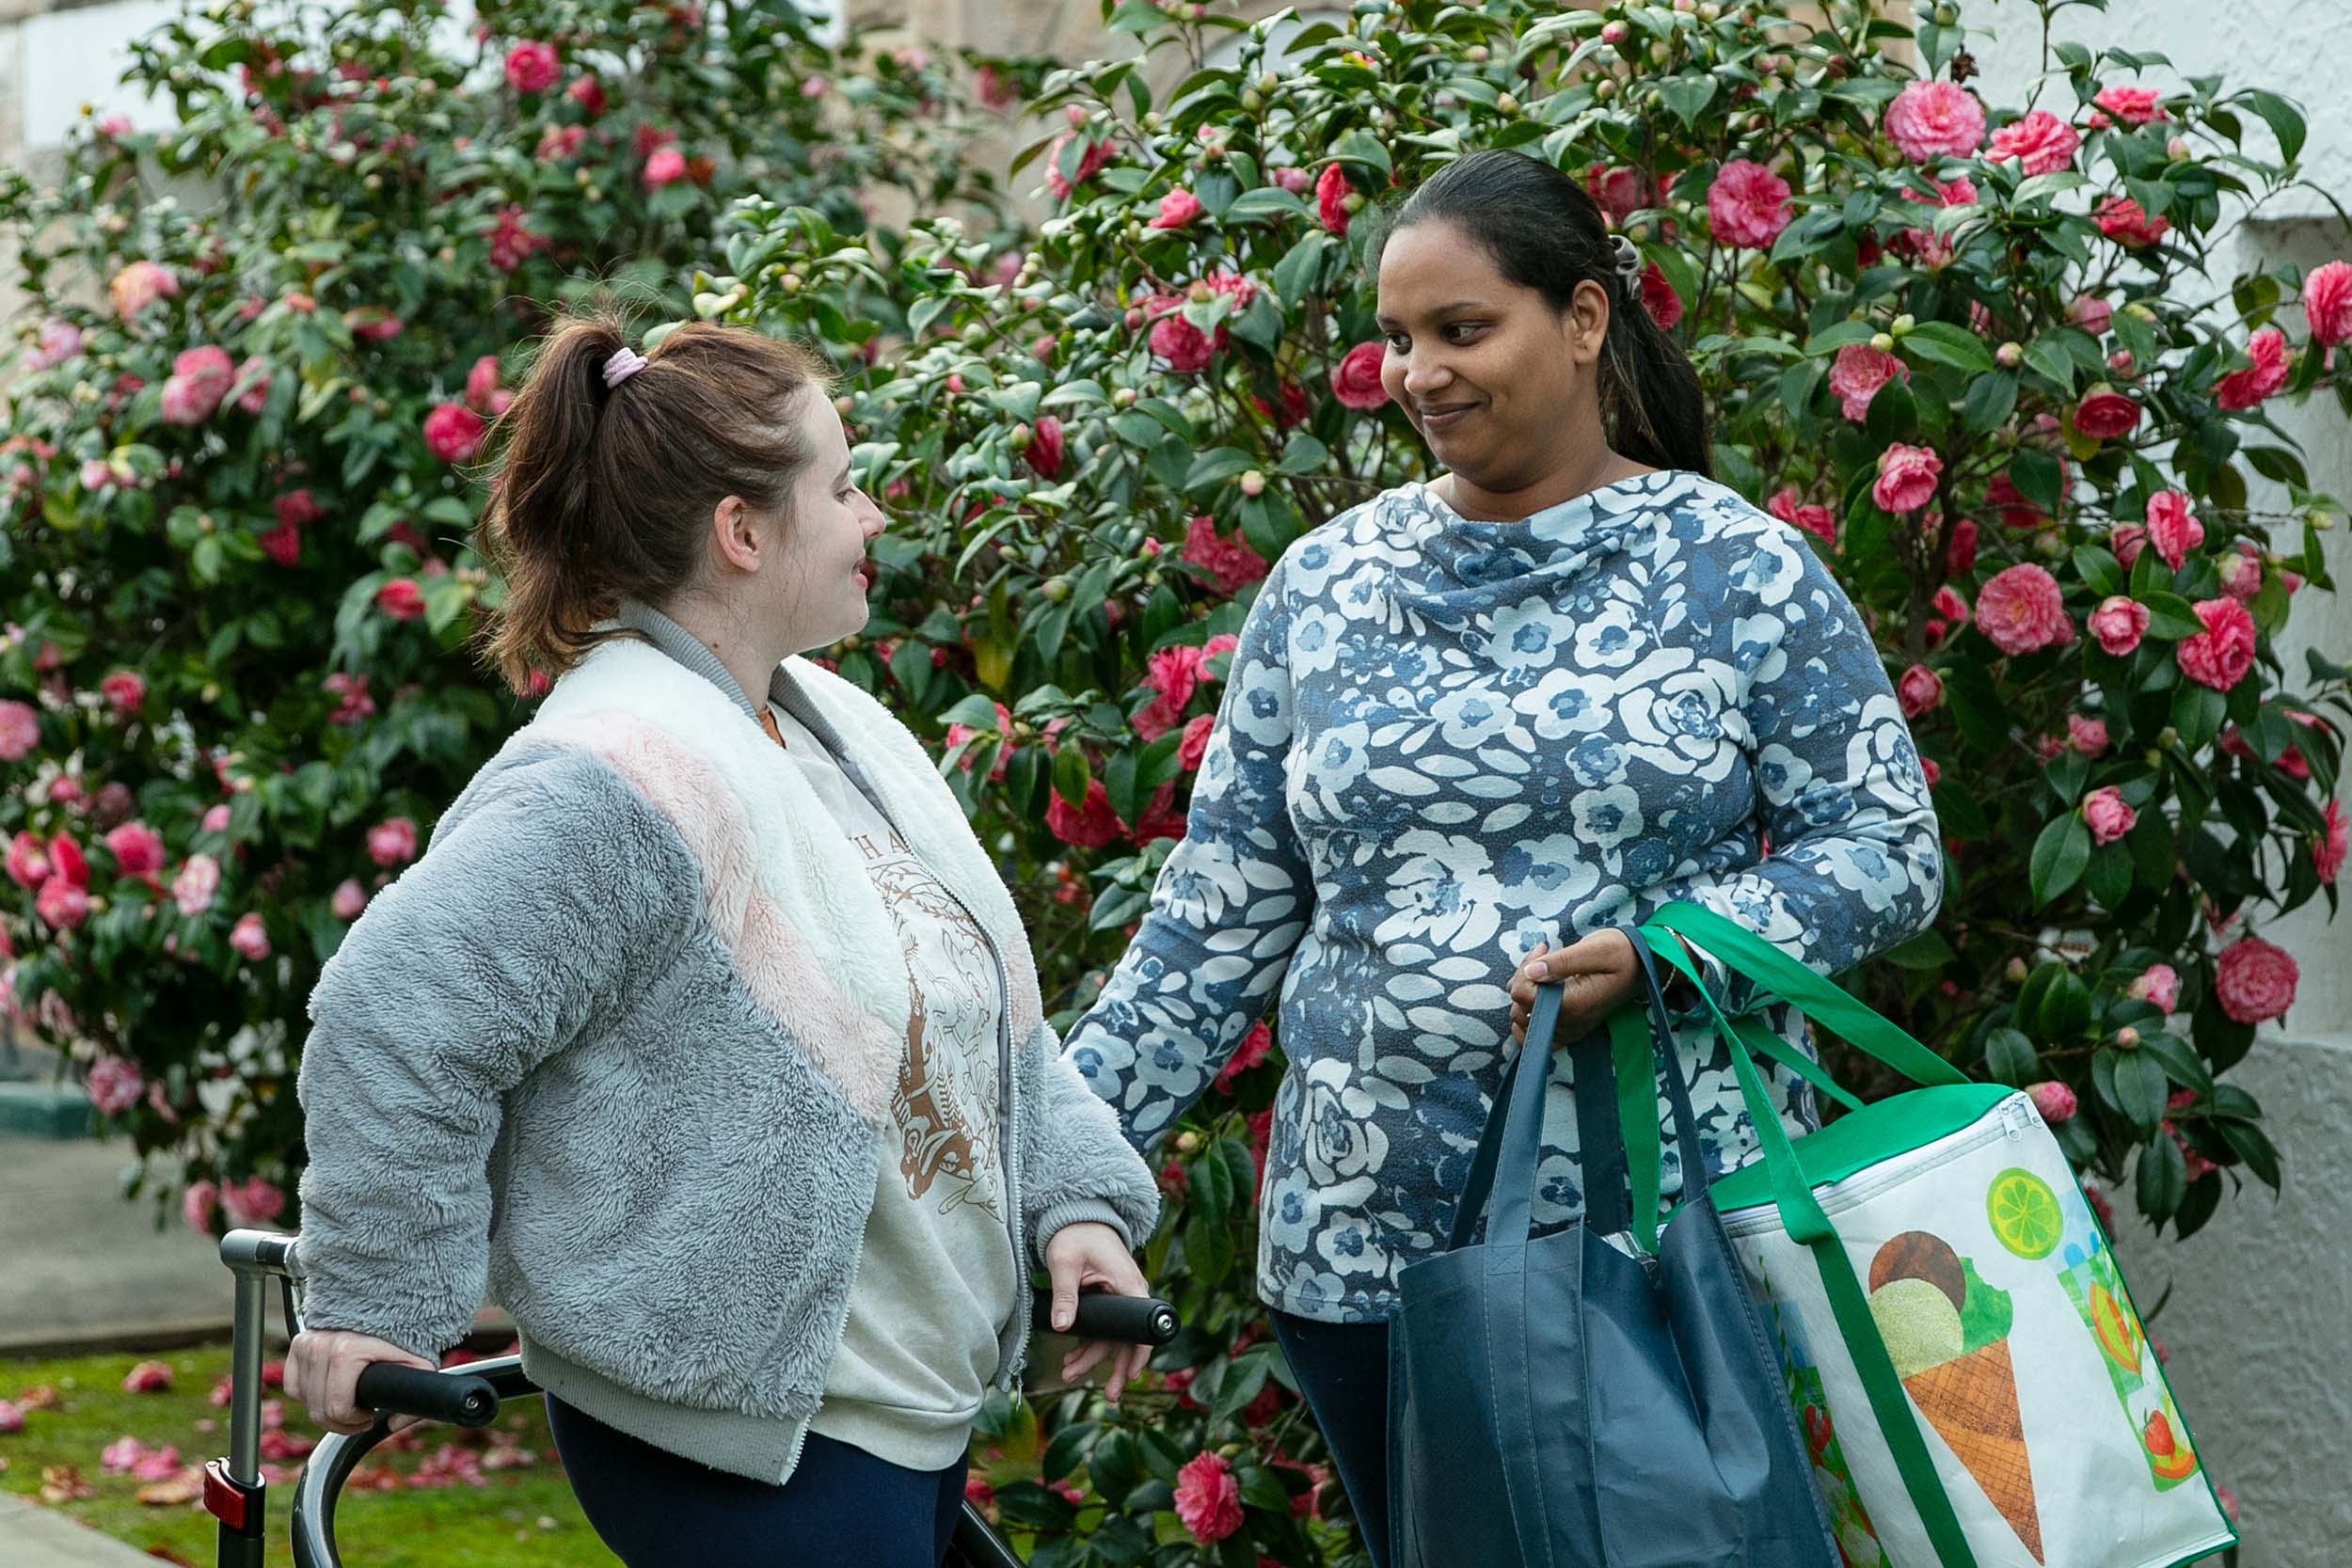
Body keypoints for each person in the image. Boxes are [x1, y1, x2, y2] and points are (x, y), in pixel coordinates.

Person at [1060, 149, 1943, 1566]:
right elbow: (1214, 914)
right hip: (1361, 1250)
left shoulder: (1737, 567)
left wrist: (1669, 953)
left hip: (1645, 1254)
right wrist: (1066, 1162)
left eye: (1462, 330)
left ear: (1584, 320)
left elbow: (1888, 849)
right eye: (1399, 339)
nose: (1419, 373)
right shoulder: (1324, 586)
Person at [284, 313, 1161, 1568]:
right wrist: (378, 1305)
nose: (872, 518)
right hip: (748, 1445)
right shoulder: (616, 778)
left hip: (904, 1413)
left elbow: (975, 1010)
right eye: (845, 487)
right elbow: (398, 1016)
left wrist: (1074, 1202)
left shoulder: (828, 732)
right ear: (741, 533)